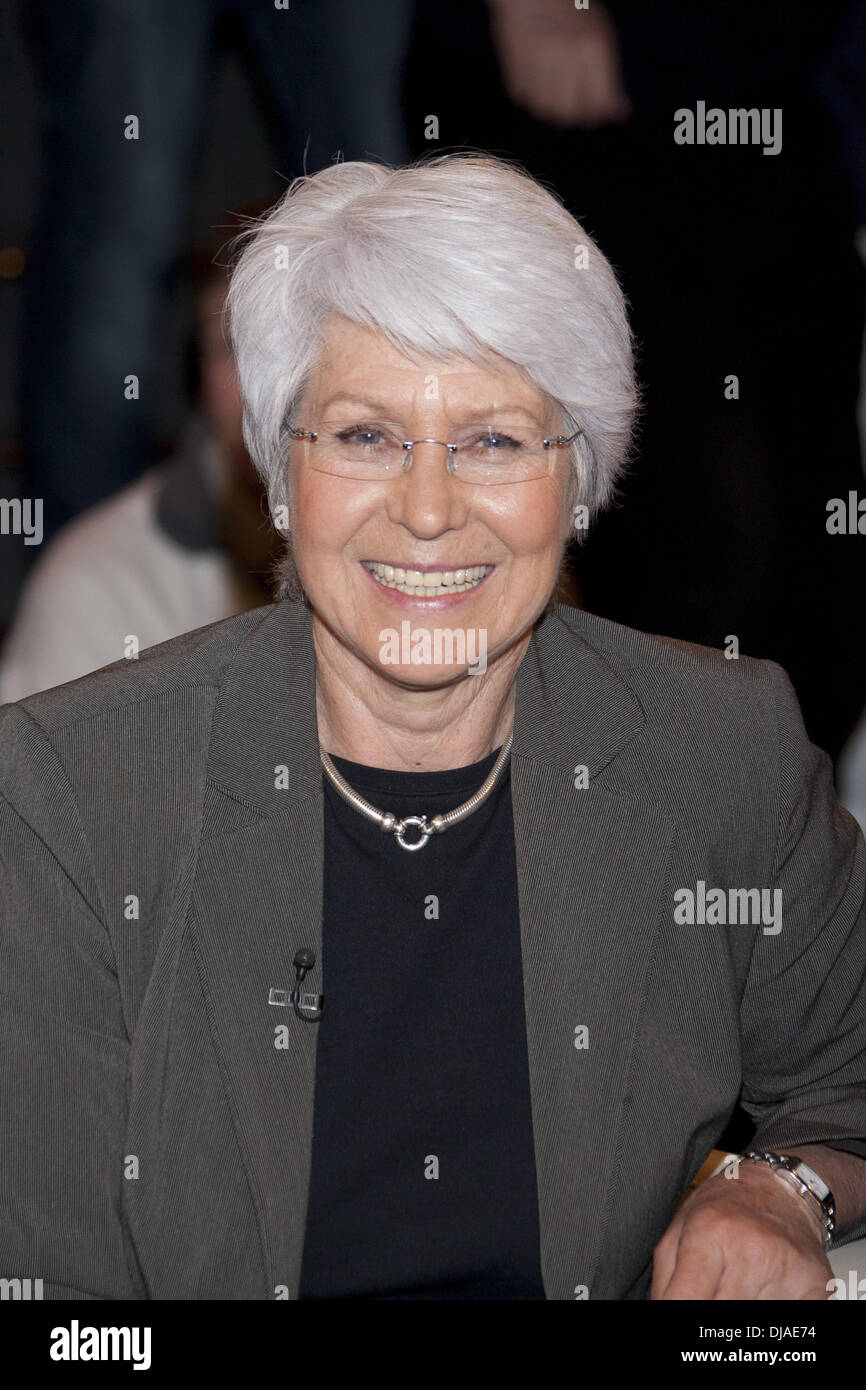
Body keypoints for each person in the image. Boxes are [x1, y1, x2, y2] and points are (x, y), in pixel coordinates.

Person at [1, 154, 865, 1301]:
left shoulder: (718, 748)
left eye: (493, 441)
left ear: (578, 482)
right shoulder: (71, 793)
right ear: (277, 473)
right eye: (363, 436)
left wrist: (777, 1191)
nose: (425, 508)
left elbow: (847, 1082)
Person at [0, 260, 280, 703]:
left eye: (297, 347)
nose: (269, 385)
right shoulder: (98, 585)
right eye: (235, 348)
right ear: (198, 376)